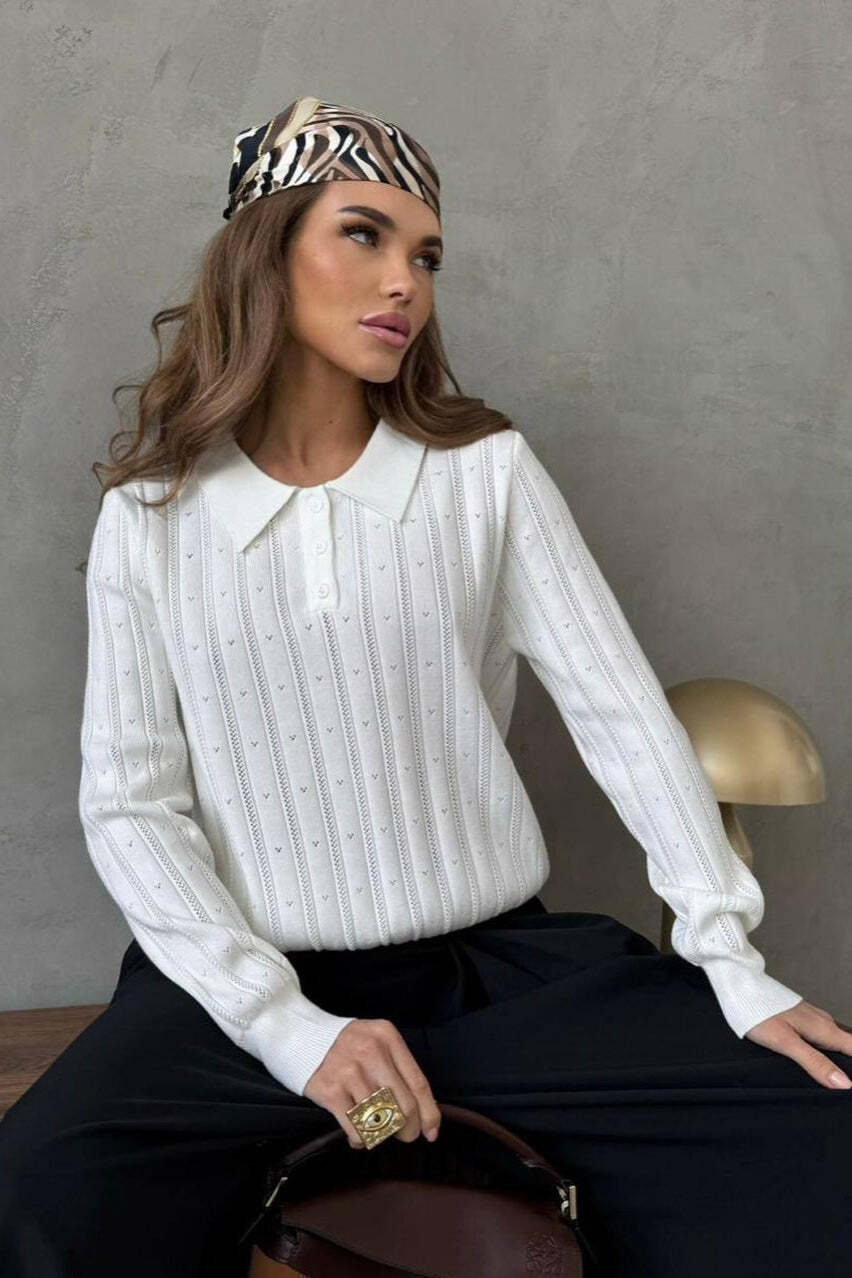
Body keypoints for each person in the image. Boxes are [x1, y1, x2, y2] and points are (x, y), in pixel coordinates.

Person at [1, 95, 850, 1278]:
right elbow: (130, 802)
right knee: (39, 1192)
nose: (405, 281)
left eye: (427, 256)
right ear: (266, 251)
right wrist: (287, 1029)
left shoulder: (484, 475)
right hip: (237, 998)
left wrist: (729, 958)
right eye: (363, 235)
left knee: (823, 1135)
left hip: (492, 983)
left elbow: (621, 717)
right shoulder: (152, 516)